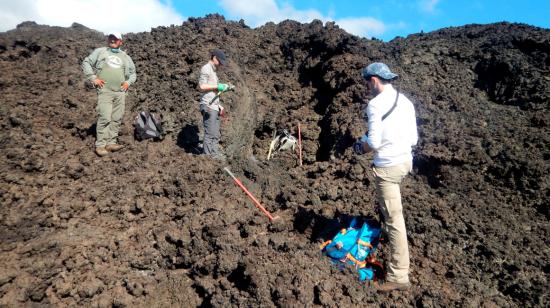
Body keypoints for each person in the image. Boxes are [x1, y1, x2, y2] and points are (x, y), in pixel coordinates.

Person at [354, 62, 418, 292]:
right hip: (405, 162)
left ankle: (399, 274)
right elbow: (413, 138)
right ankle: (383, 243)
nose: (367, 88)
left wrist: (361, 148)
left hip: (387, 168)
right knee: (388, 211)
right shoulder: (406, 101)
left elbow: (374, 142)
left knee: (394, 218)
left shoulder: (375, 104)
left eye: (367, 83)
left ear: (374, 80)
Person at [82, 32, 137, 156]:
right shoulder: (101, 52)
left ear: (120, 42)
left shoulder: (125, 57)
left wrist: (128, 82)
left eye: (115, 39)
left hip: (120, 92)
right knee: (105, 117)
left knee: (117, 118)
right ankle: (100, 145)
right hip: (105, 91)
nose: (112, 40)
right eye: (111, 38)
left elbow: (133, 73)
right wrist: (93, 77)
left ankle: (111, 143)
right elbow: (86, 62)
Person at [198, 49, 233, 160]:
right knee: (210, 133)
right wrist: (218, 86)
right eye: (220, 61)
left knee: (216, 134)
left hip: (214, 106)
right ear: (214, 58)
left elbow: (212, 91)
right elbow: (202, 86)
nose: (221, 64)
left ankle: (215, 155)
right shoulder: (206, 68)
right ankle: (208, 159)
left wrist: (219, 105)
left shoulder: (214, 71)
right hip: (208, 105)